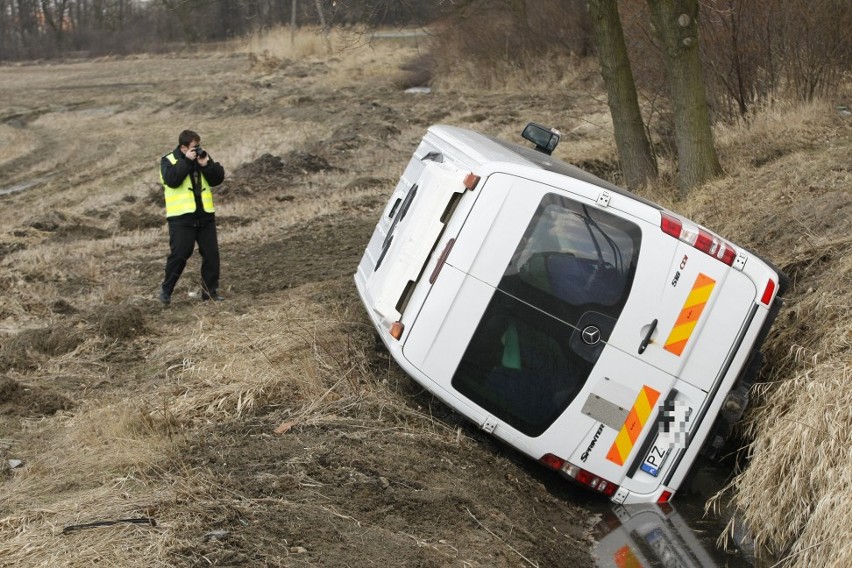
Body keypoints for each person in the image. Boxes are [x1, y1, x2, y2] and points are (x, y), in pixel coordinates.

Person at [158, 129, 226, 305]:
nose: (198, 149)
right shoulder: (168, 160)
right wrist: (187, 161)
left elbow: (217, 179)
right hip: (181, 218)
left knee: (211, 255)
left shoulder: (201, 157)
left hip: (204, 215)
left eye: (199, 145)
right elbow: (172, 180)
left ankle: (210, 293)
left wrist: (206, 165)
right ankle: (166, 291)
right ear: (183, 147)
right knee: (180, 255)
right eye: (194, 147)